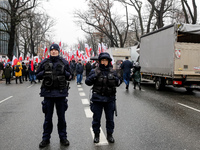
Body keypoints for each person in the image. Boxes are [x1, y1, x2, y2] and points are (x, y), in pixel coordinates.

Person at [36, 43, 71, 148]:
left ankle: (63, 138)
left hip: (60, 94)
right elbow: (37, 75)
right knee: (47, 119)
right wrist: (44, 72)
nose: (53, 52)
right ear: (49, 52)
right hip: (48, 94)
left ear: (58, 51)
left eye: (55, 50)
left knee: (61, 118)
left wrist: (64, 72)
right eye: (52, 50)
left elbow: (70, 76)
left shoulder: (64, 62)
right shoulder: (44, 62)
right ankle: (45, 139)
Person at [85, 52, 121, 143]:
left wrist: (115, 79)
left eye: (106, 60)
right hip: (97, 99)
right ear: (99, 61)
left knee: (110, 119)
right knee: (96, 119)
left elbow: (119, 83)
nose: (104, 62)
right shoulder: (95, 71)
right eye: (102, 60)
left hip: (109, 99)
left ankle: (110, 135)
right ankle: (96, 134)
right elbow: (87, 82)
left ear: (108, 61)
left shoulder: (113, 71)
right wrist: (94, 76)